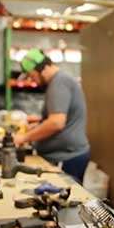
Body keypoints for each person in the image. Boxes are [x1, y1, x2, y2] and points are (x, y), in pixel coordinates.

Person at [14, 49, 91, 182]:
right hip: (65, 155)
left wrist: (23, 138)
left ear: (42, 68)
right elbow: (62, 117)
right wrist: (40, 122)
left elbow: (56, 123)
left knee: (65, 199)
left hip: (66, 158)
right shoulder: (58, 82)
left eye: (33, 76)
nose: (34, 82)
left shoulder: (59, 83)